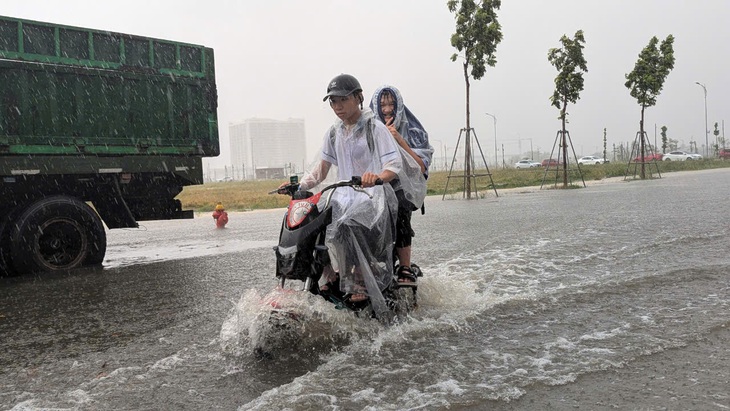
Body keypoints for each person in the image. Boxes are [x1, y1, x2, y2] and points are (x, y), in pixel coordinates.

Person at [294, 74, 411, 315]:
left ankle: (358, 278)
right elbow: (321, 169)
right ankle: (327, 274)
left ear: (358, 98)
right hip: (342, 196)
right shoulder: (334, 132)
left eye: (343, 100)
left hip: (372, 197)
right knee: (312, 221)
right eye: (333, 101)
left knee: (347, 223)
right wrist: (300, 185)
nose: (337, 106)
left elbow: (393, 165)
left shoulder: (374, 128)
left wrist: (376, 177)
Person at [370, 85, 433, 287]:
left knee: (401, 211)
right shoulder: (369, 128)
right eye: (382, 105)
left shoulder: (413, 130)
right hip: (376, 185)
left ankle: (404, 265)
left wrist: (398, 139)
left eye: (391, 105)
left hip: (403, 188)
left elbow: (421, 165)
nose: (387, 110)